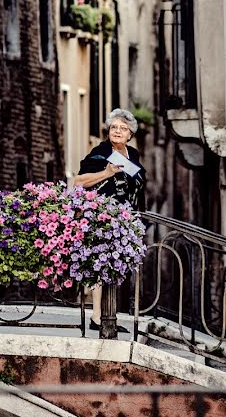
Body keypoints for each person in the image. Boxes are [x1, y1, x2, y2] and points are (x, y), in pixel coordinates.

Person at [74, 108, 146, 333]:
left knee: (113, 267)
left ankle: (108, 316)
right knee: (100, 264)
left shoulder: (132, 154)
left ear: (130, 134)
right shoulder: (100, 152)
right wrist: (106, 173)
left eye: (123, 128)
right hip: (102, 217)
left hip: (126, 217)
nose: (117, 131)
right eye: (114, 127)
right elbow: (79, 181)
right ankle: (97, 317)